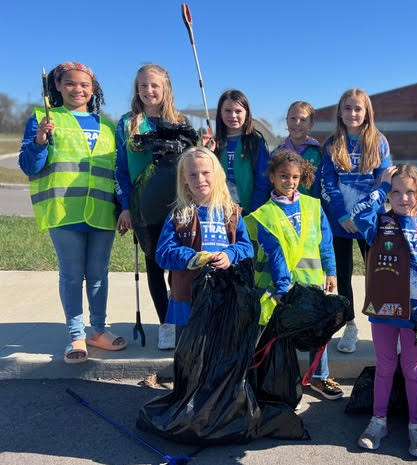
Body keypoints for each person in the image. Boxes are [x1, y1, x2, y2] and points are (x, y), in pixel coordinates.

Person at [18, 62, 125, 364]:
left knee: (98, 276)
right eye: (70, 84)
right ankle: (76, 336)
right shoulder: (43, 119)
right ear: (58, 87)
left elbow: (118, 172)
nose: (78, 90)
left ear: (94, 89)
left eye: (84, 85)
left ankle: (99, 330)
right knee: (71, 276)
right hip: (65, 212)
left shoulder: (106, 126)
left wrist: (125, 207)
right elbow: (29, 166)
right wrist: (39, 141)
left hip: (102, 213)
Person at [351, 164, 417, 457]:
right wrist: (382, 186)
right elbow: (358, 213)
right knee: (385, 368)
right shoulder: (378, 224)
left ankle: (415, 425)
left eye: (410, 191)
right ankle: (379, 421)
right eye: (396, 191)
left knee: (413, 371)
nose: (403, 197)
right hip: (385, 313)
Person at [246, 149, 343, 400]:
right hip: (279, 288)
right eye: (284, 176)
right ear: (272, 177)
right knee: (276, 335)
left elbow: (325, 242)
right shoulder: (265, 214)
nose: (290, 182)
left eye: (295, 177)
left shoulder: (313, 206)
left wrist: (331, 271)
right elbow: (275, 253)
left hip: (310, 283)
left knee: (318, 331)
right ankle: (277, 383)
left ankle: (319, 377)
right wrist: (282, 288)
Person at [115, 64, 196, 349]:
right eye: (143, 86)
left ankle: (179, 320)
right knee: (154, 268)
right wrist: (125, 206)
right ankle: (165, 326)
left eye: (155, 86)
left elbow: (193, 165)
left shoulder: (181, 121)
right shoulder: (127, 123)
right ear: (137, 89)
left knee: (178, 268)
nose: (149, 91)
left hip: (176, 207)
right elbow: (121, 171)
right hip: (142, 209)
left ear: (166, 90)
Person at [319, 88, 391, 353]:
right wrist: (341, 215)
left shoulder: (379, 141)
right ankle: (350, 326)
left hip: (370, 222)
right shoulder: (332, 144)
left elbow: (384, 182)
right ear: (340, 111)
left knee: (379, 276)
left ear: (367, 112)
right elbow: (327, 183)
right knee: (343, 275)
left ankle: (383, 326)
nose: (352, 113)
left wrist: (362, 215)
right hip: (339, 222)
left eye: (358, 108)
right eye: (347, 108)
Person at [155, 147, 253, 329]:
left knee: (221, 350)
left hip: (225, 294)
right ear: (183, 179)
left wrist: (230, 255)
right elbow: (163, 254)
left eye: (205, 173)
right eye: (192, 175)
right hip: (187, 296)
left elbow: (247, 248)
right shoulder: (178, 215)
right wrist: (192, 257)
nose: (200, 179)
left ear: (216, 174)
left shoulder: (231, 213)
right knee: (189, 352)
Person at [213, 89, 270, 214]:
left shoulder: (256, 142)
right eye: (228, 111)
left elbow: (263, 180)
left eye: (238, 111)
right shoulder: (215, 143)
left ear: (247, 113)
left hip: (249, 211)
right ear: (220, 113)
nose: (233, 115)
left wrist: (254, 212)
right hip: (220, 211)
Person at [273, 101, 322, 197]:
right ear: (287, 121)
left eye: (303, 120)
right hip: (282, 208)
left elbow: (319, 187)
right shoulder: (277, 153)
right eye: (293, 118)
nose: (297, 123)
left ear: (311, 124)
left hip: (308, 208)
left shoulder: (317, 153)